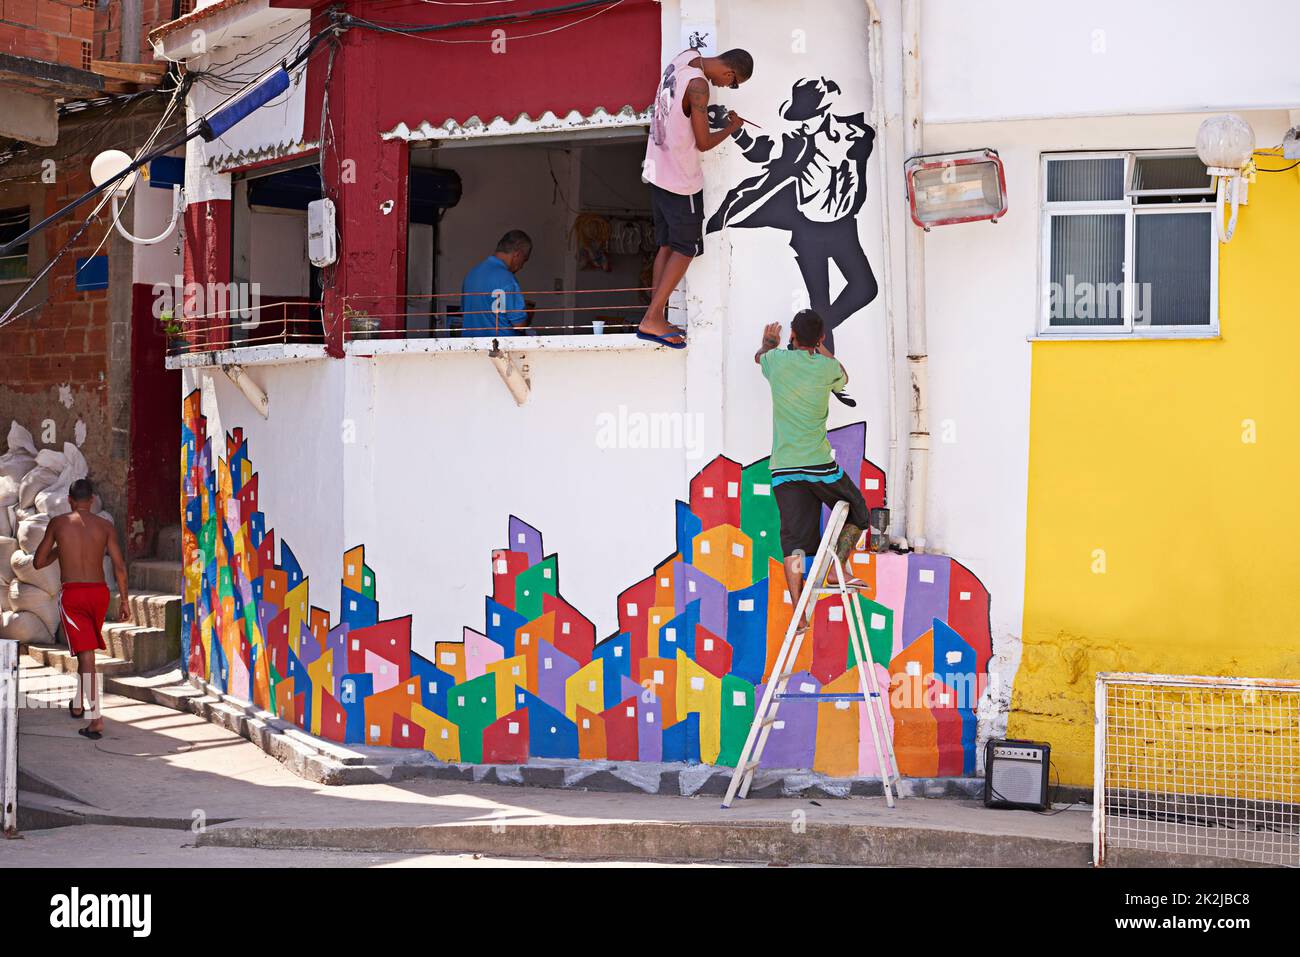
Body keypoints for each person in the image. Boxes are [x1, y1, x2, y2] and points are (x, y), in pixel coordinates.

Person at [638, 46, 754, 348]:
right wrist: (731, 127)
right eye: (733, 83)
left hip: (657, 171)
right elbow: (702, 143)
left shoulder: (683, 59)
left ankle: (655, 316)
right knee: (686, 248)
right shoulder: (700, 86)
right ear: (729, 73)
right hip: (680, 181)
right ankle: (652, 318)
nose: (728, 86)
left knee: (666, 245)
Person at [755, 310, 869, 611]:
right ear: (819, 339)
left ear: (791, 335)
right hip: (819, 465)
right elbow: (843, 376)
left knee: (794, 539)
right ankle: (836, 567)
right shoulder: (826, 367)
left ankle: (797, 606)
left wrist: (769, 342)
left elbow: (760, 356)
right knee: (859, 512)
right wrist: (822, 348)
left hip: (784, 468)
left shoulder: (775, 361)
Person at [33, 478, 128, 740]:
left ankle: (96, 718)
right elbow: (119, 567)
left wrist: (59, 550)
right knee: (85, 652)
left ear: (70, 500)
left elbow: (38, 562)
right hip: (100, 595)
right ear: (93, 500)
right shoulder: (106, 526)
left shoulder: (59, 523)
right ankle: (78, 703)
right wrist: (126, 601)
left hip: (74, 595)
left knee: (86, 656)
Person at [460, 230, 533, 337]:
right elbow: (520, 325)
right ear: (517, 255)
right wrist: (526, 313)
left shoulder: (471, 275)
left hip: (471, 348)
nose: (521, 266)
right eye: (524, 260)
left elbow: (465, 313)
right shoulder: (507, 279)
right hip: (500, 349)